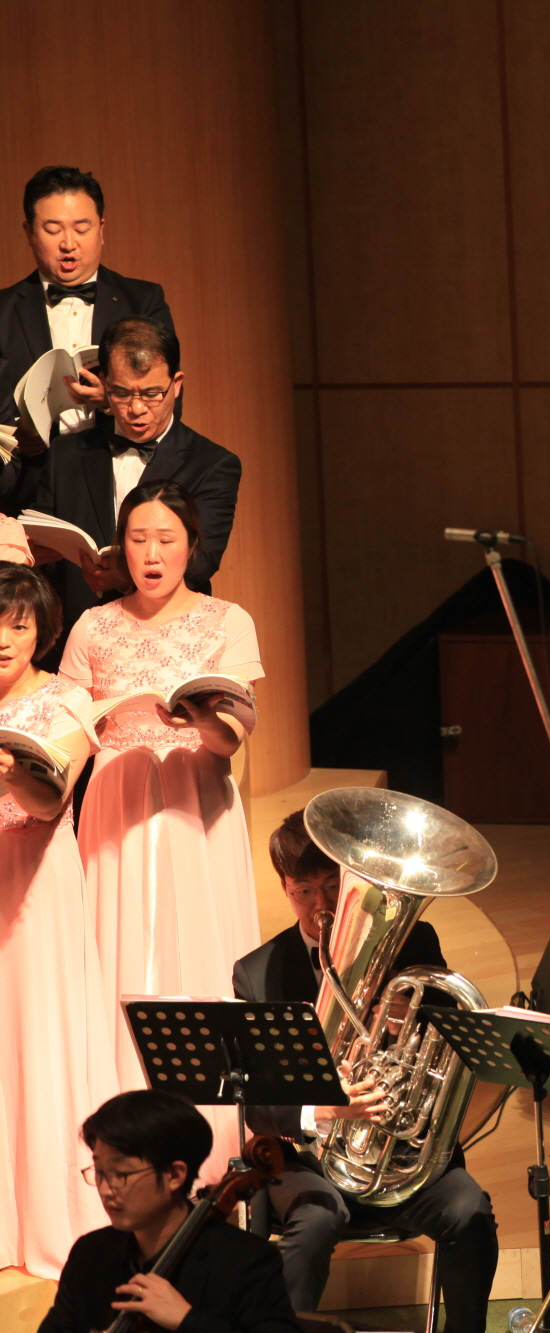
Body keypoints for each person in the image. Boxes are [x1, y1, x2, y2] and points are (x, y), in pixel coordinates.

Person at [230, 810, 499, 1327]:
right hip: (308, 1163)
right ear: (284, 889)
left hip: (401, 1153)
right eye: (303, 891)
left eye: (333, 887)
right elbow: (258, 1105)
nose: (322, 905)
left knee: (470, 1211)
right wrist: (326, 1109)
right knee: (313, 1225)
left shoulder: (414, 943)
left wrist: (403, 1026)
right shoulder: (258, 972)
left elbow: (455, 1048)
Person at [62, 481, 262, 1108]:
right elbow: (69, 729)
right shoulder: (92, 625)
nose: (151, 554)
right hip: (115, 801)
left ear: (191, 545)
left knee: (203, 942)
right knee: (115, 946)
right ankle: (121, 1104)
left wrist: (200, 720)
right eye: (138, 539)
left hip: (195, 799)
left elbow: (230, 739)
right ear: (120, 547)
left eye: (166, 539)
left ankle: (212, 1108)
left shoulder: (228, 620)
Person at [0, 555, 121, 1277]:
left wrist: (15, 767)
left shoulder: (66, 700)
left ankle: (51, 1219)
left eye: (19, 626)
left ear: (42, 630)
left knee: (38, 1038)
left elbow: (50, 802)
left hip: (36, 888)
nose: (4, 639)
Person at [28, 316, 240, 642]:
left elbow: (201, 563)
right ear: (104, 383)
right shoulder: (65, 455)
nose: (136, 408)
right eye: (122, 393)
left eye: (152, 393)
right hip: (73, 637)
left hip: (171, 639)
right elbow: (43, 542)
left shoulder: (211, 463)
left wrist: (123, 576)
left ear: (177, 384)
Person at [38, 1090, 298, 1333]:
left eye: (120, 1174)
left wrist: (187, 1320)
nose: (105, 1189)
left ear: (174, 1175)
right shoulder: (91, 1253)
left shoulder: (246, 1261)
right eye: (99, 1172)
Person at [1, 166, 175, 512]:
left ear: (101, 229)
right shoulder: (3, 312)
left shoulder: (142, 302)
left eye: (82, 228)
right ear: (29, 232)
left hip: (124, 488)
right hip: (28, 494)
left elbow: (170, 402)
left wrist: (112, 400)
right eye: (53, 229)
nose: (69, 244)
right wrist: (14, 439)